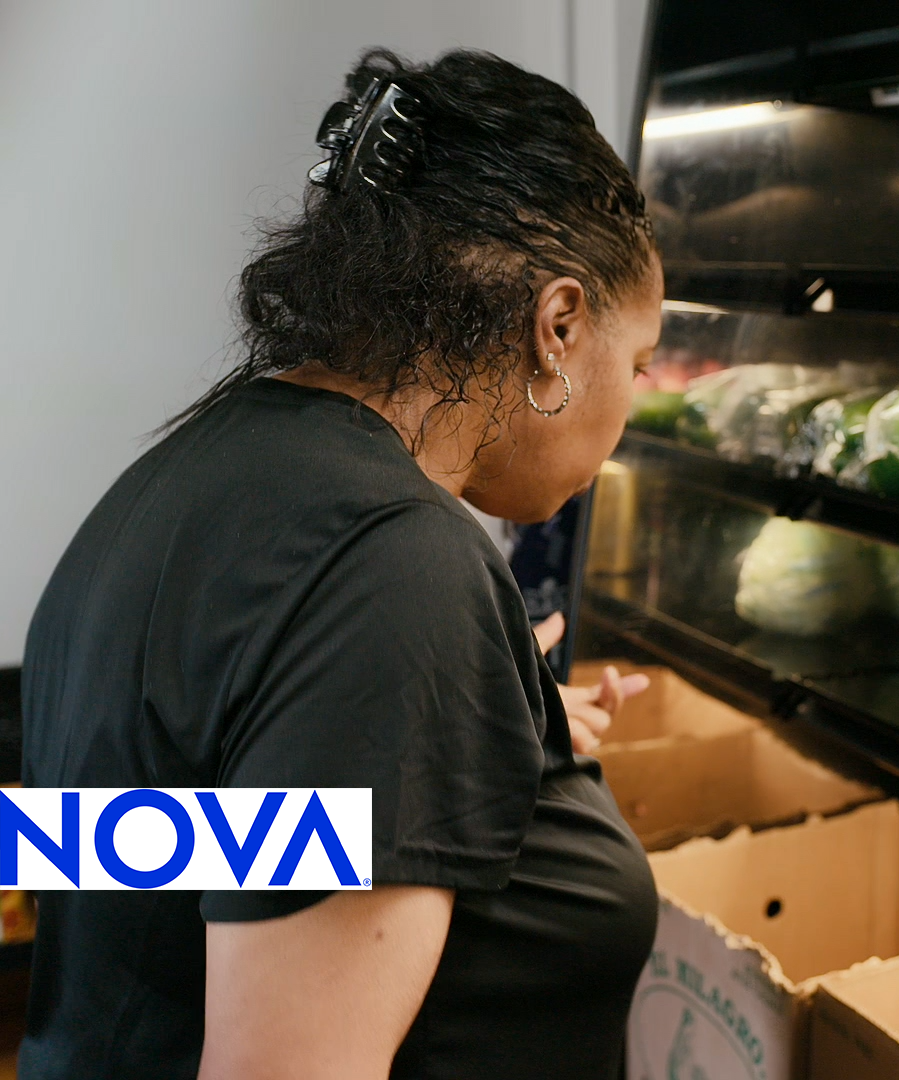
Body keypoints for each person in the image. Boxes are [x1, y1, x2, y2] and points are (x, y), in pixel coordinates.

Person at [19, 48, 662, 1080]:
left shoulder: (196, 472)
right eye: (636, 364)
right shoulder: (396, 569)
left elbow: (117, 845)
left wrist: (464, 757)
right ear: (559, 326)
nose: (627, 413)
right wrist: (407, 708)